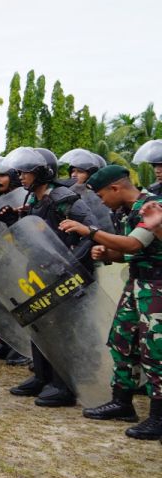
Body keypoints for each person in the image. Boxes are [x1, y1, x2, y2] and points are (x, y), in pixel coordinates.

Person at [61, 166, 162, 439]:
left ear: (116, 188)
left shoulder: (153, 206)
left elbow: (133, 245)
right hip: (138, 284)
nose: (101, 201)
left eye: (102, 194)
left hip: (156, 288)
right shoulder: (126, 212)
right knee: (122, 340)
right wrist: (107, 252)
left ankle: (158, 417)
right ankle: (122, 401)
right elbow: (127, 253)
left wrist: (89, 232)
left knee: (155, 351)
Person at [0, 147, 101, 407]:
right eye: (20, 171)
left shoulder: (63, 197)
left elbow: (91, 232)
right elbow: (33, 235)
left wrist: (70, 264)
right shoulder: (33, 199)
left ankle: (63, 385)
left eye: (27, 172)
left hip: (63, 274)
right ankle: (42, 377)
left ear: (43, 173)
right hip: (38, 270)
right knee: (39, 324)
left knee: (62, 329)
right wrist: (14, 220)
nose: (21, 176)